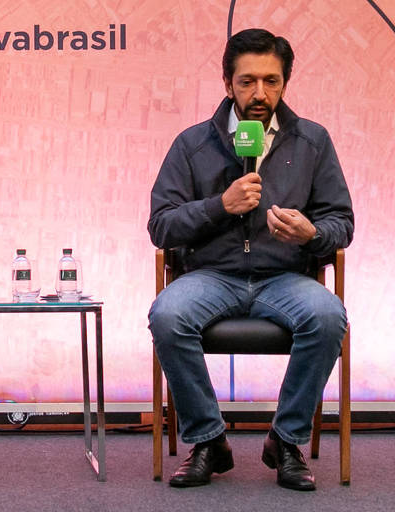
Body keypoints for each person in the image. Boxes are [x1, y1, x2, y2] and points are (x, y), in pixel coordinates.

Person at [147, 28, 353, 491]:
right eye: (247, 82)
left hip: (284, 276)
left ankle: (286, 440)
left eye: (271, 81)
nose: (260, 93)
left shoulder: (313, 142)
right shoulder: (192, 144)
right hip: (211, 276)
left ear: (284, 83)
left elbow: (342, 223)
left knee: (327, 315)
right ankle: (207, 440)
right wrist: (220, 205)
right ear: (227, 84)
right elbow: (161, 226)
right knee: (167, 314)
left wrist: (313, 233)